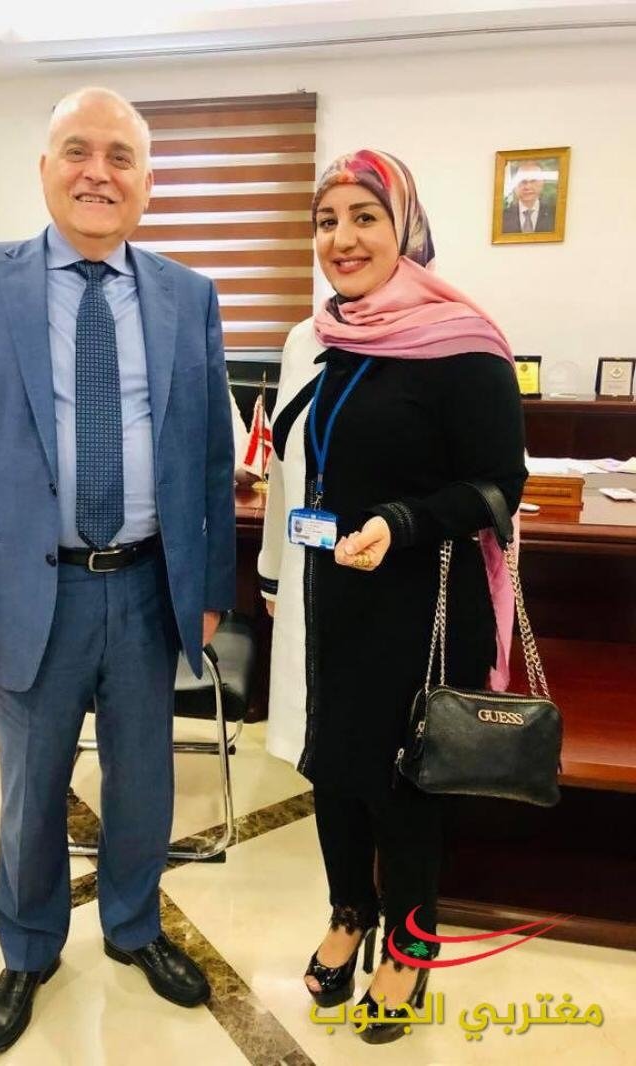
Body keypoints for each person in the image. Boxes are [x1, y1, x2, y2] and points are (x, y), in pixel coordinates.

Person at [0, 86, 235, 1055]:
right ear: (45, 168)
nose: (99, 172)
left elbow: (210, 461)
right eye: (78, 151)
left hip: (147, 587)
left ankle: (133, 926)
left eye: (120, 156)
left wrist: (209, 589)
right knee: (32, 789)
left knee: (143, 782)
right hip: (25, 593)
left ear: (147, 181)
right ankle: (28, 948)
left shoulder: (188, 295)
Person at [257, 149, 527, 1045]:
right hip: (329, 598)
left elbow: (500, 487)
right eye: (326, 219)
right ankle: (349, 912)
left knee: (403, 781)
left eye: (364, 216)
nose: (342, 237)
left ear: (405, 228)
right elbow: (297, 471)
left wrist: (401, 523)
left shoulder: (462, 344)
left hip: (423, 602)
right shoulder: (317, 339)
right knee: (333, 768)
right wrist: (278, 575)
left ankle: (411, 944)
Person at [501, 158, 556, 233]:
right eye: (523, 181)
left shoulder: (555, 215)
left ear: (542, 183)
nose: (528, 187)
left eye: (533, 181)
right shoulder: (502, 217)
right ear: (514, 185)